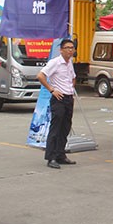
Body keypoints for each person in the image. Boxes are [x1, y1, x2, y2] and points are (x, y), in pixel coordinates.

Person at [36, 39, 77, 169]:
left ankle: (61, 154)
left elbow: (73, 78)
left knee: (65, 127)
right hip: (58, 99)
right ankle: (51, 157)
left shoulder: (70, 62)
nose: (70, 50)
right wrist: (52, 90)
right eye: (67, 47)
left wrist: (70, 89)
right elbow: (40, 76)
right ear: (61, 49)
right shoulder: (55, 62)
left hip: (68, 98)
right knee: (56, 128)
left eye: (72, 47)